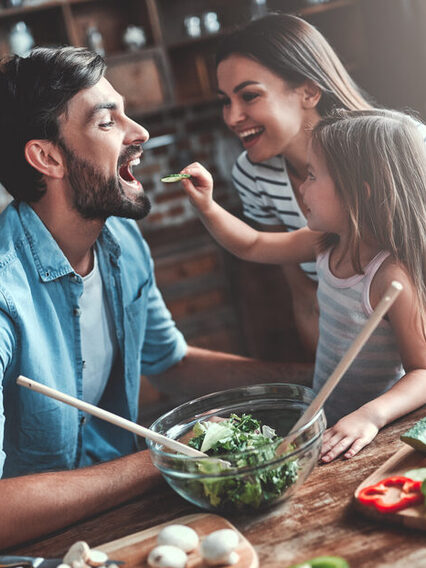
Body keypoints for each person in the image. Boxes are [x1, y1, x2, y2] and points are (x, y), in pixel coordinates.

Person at [0, 47, 313, 548]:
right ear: (47, 157)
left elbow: (172, 363)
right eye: (108, 122)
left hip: (120, 522)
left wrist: (314, 384)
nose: (138, 132)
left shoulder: (120, 241)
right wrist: (163, 457)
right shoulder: (4, 294)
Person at [180, 108, 426, 465]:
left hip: (370, 435)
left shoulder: (390, 277)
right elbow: (251, 244)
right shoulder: (325, 242)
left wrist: (370, 416)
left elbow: (422, 372)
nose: (301, 186)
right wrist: (207, 206)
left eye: (312, 176)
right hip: (327, 419)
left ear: (360, 193)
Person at [215, 13, 374, 356]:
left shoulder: (383, 152)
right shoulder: (254, 174)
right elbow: (305, 298)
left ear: (309, 91)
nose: (231, 117)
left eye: (250, 96)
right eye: (226, 101)